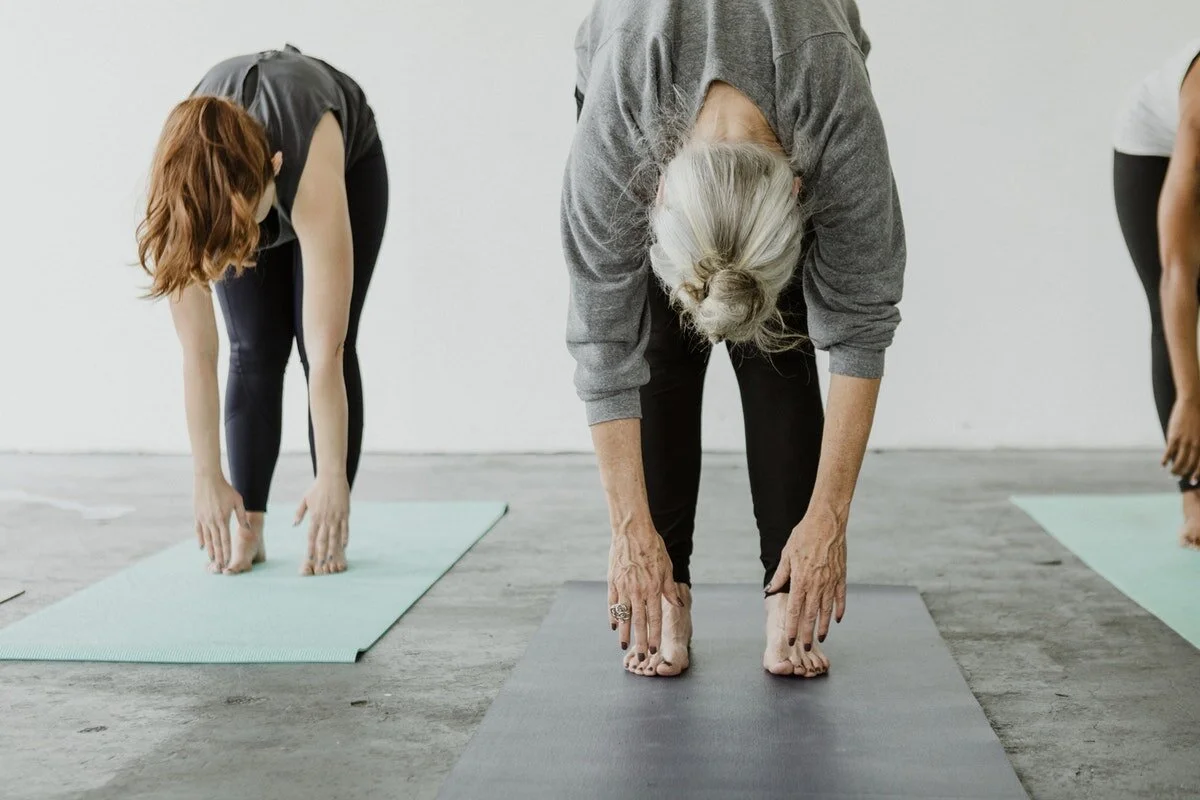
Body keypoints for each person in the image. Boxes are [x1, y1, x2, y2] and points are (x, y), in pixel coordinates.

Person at [562, 0, 905, 677]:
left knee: (781, 344)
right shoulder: (619, 122)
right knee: (660, 346)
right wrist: (629, 532)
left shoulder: (833, 110)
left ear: (799, 189)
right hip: (638, 74)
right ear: (657, 193)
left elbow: (861, 324)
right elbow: (604, 342)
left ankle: (787, 589)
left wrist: (829, 521)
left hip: (803, 73)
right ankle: (667, 589)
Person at [136, 45, 388, 575]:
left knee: (319, 342)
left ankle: (329, 523)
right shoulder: (182, 199)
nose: (251, 251)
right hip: (230, 189)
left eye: (250, 229)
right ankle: (249, 524)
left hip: (345, 163)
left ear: (274, 167)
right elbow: (199, 355)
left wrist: (331, 480)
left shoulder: (308, 163)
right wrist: (206, 476)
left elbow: (326, 351)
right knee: (253, 348)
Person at [1113, 38, 1200, 550]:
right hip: (1152, 145)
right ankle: (1194, 495)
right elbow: (1177, 269)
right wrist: (1189, 398)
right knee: (1168, 312)